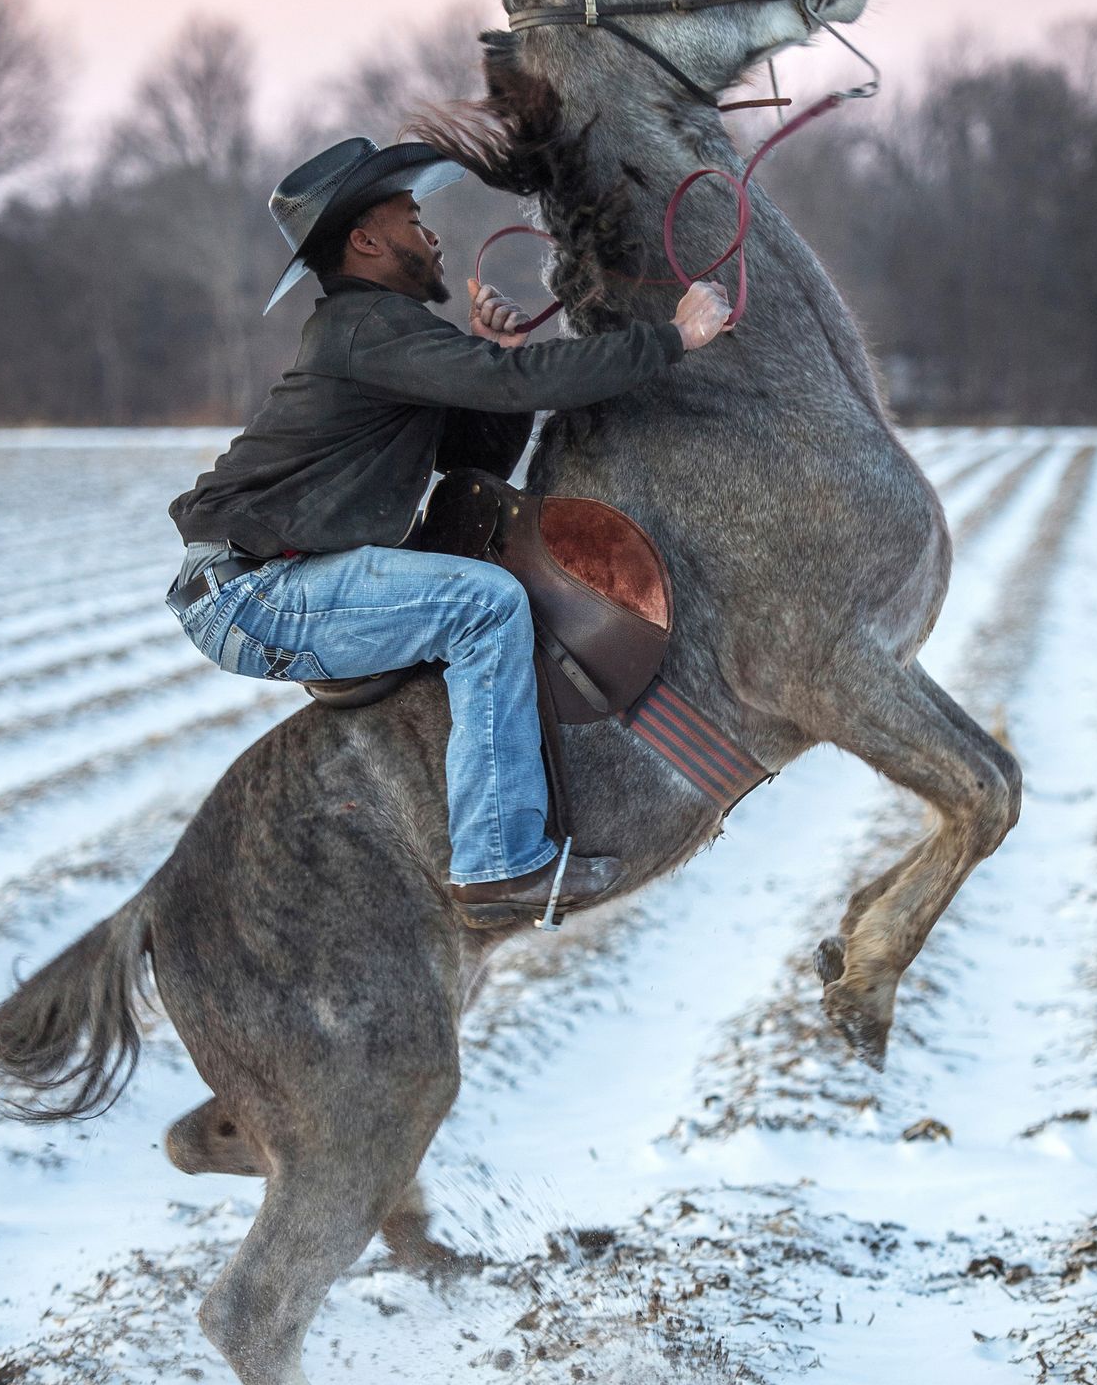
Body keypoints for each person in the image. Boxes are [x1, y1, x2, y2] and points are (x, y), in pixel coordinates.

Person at [168, 137, 728, 926]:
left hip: (263, 586)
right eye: (412, 218)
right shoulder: (364, 328)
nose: (431, 235)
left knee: (477, 599)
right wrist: (674, 339)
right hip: (256, 595)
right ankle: (498, 867)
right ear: (365, 241)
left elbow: (474, 453)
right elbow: (521, 384)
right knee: (486, 605)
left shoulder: (382, 332)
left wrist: (497, 357)